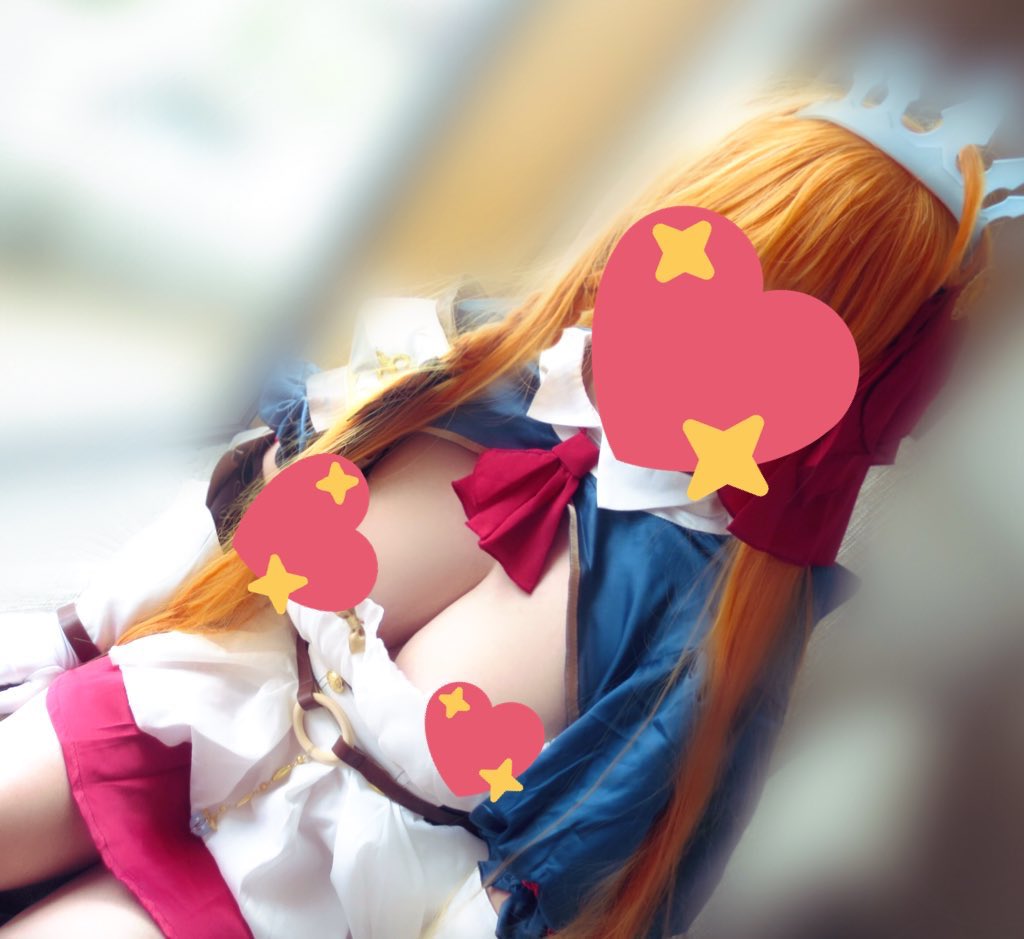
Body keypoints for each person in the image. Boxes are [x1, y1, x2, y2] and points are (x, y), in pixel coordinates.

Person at [0, 86, 996, 939]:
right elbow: (247, 502)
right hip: (179, 707)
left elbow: (567, 867)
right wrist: (69, 636)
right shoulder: (475, 364)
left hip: (310, 895)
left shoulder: (701, 621)